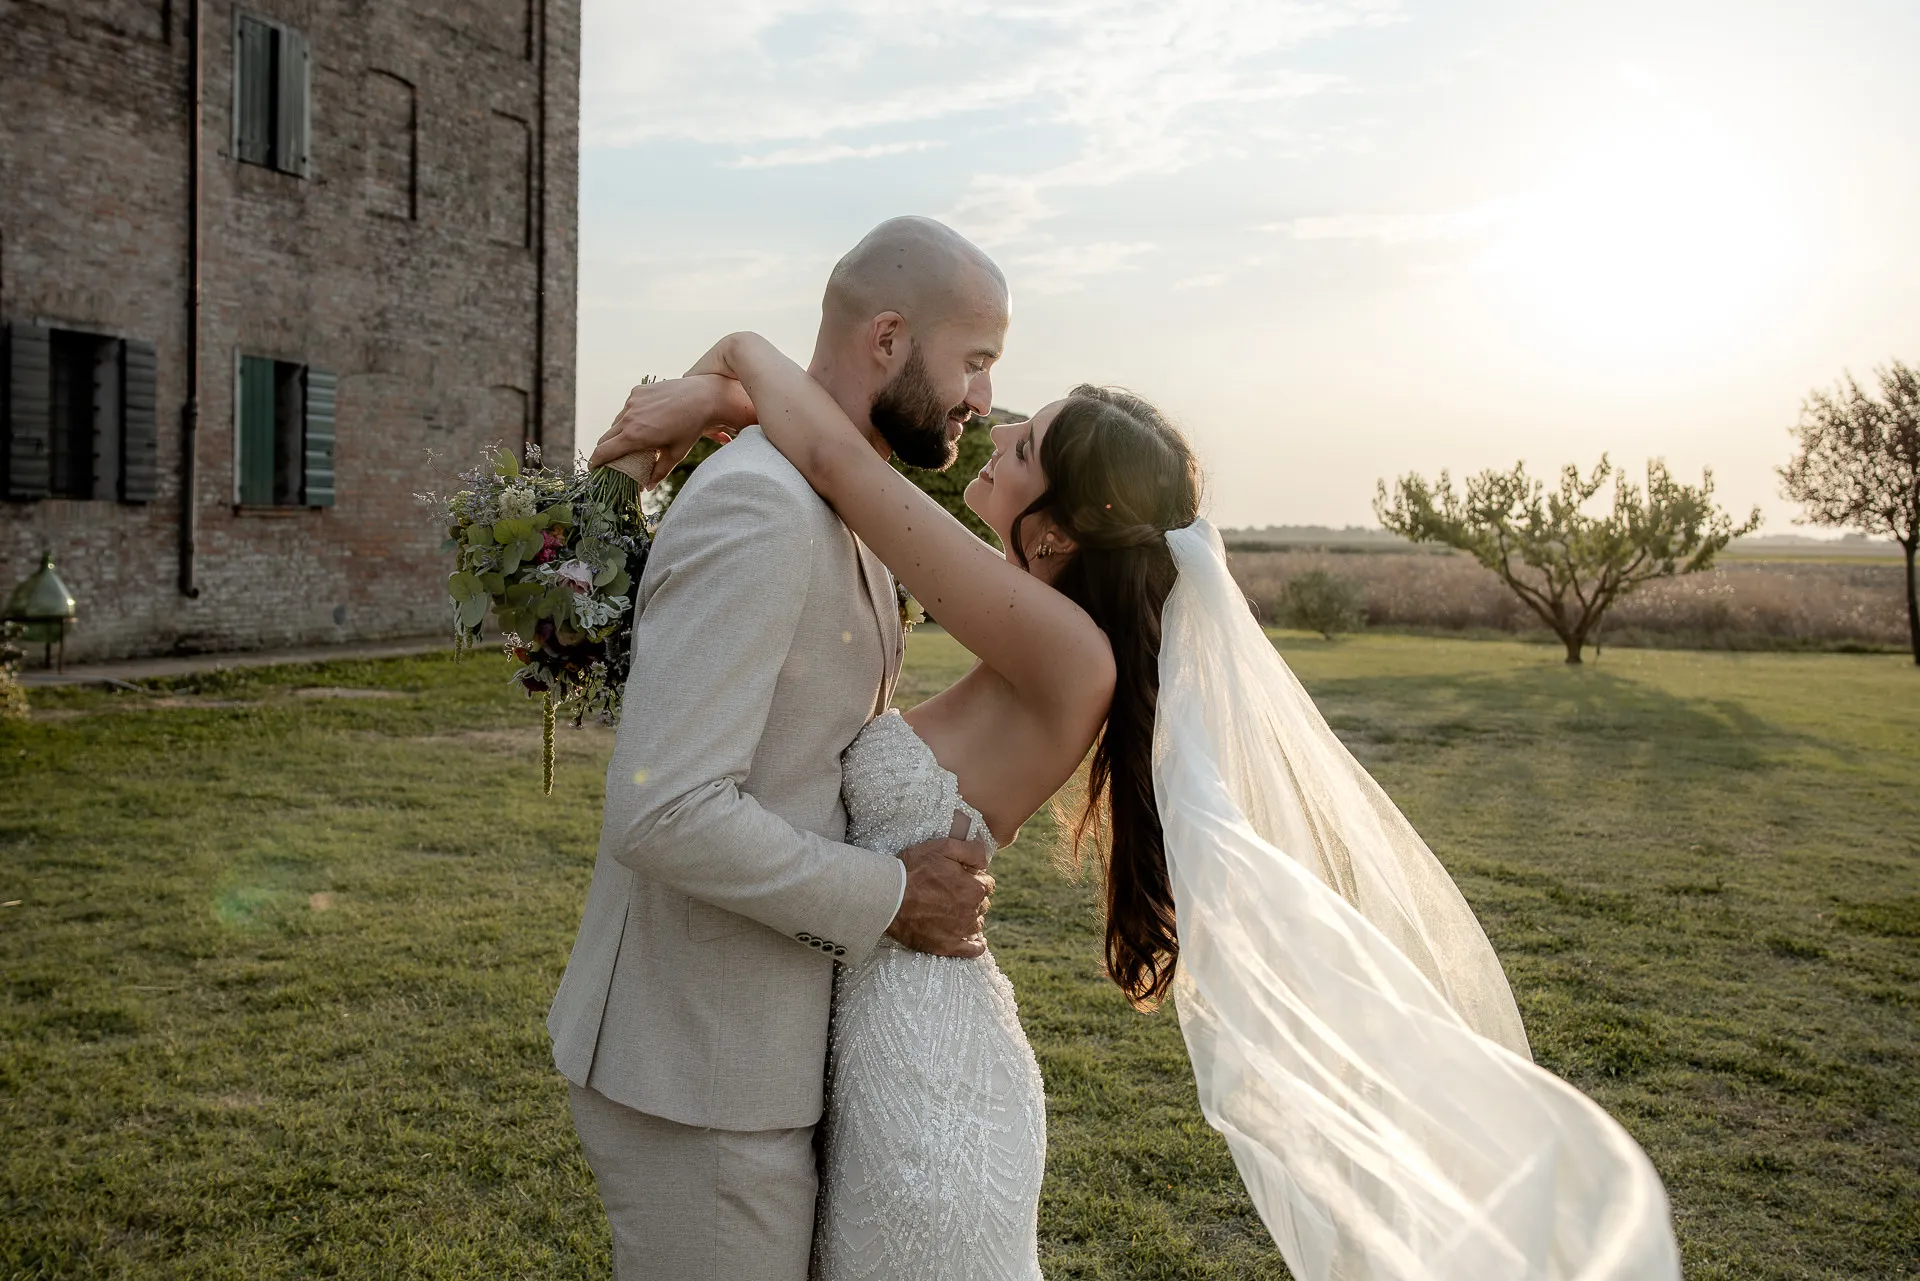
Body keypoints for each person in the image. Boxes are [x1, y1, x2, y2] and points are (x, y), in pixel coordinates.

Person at [593, 327, 1686, 1279]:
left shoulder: (1068, 652)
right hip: (879, 1032)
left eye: (1022, 447)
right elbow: (841, 475)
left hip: (924, 1066)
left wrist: (732, 361)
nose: (994, 428)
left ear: (1058, 530)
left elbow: (838, 461)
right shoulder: (1036, 619)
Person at [545, 217, 1016, 1281]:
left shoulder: (833, 494)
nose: (981, 400)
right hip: (698, 1070)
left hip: (759, 1050)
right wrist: (891, 896)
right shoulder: (761, 507)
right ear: (889, 339)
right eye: (975, 362)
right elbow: (663, 811)